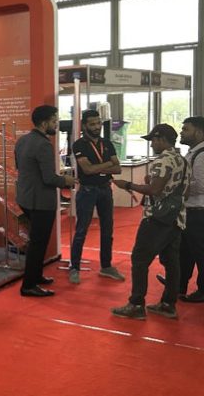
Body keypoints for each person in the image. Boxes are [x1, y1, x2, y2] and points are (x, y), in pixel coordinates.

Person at [111, 124, 189, 320]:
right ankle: (168, 304)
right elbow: (182, 189)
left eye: (153, 140)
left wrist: (128, 184)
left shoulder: (163, 161)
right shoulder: (182, 159)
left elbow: (154, 190)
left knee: (140, 259)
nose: (152, 144)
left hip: (157, 218)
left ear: (161, 139)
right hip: (176, 217)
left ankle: (136, 304)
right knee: (172, 261)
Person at [15, 105, 77, 297]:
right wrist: (66, 181)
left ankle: (36, 276)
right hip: (40, 201)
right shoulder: (43, 144)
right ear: (44, 123)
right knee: (38, 243)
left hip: (25, 197)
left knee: (37, 241)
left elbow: (21, 167)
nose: (57, 124)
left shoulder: (23, 140)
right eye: (54, 121)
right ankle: (29, 285)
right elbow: (49, 178)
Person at [69, 109, 124, 284]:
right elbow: (87, 170)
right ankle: (74, 268)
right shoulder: (79, 145)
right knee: (81, 230)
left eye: (98, 123)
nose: (96, 127)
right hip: (87, 191)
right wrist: (108, 164)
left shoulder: (107, 143)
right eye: (92, 124)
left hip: (105, 189)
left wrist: (98, 168)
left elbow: (118, 168)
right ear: (84, 125)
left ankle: (106, 266)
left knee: (108, 230)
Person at [174, 117, 204, 303]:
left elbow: (202, 185)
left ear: (200, 132)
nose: (181, 132)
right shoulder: (194, 153)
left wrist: (173, 187)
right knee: (185, 250)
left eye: (186, 129)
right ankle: (179, 285)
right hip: (193, 210)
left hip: (203, 212)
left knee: (202, 252)